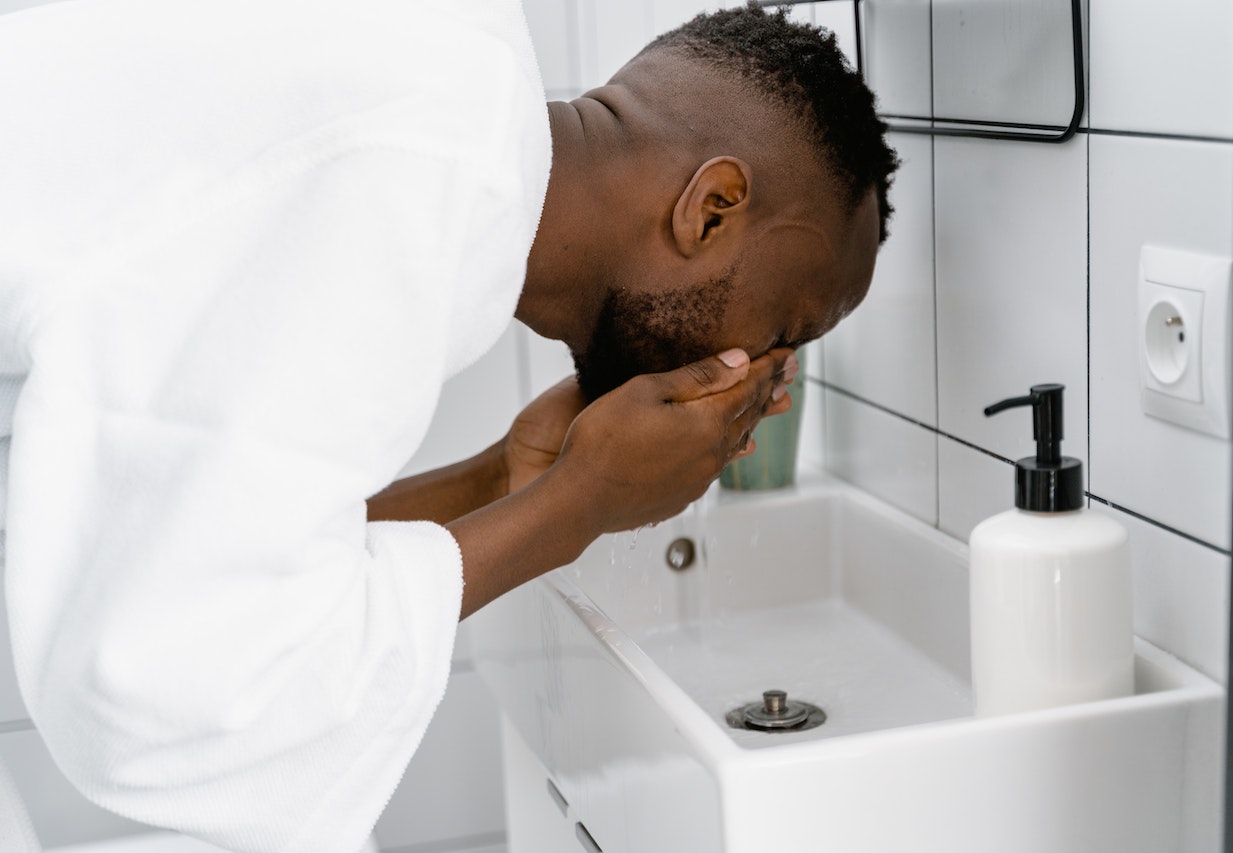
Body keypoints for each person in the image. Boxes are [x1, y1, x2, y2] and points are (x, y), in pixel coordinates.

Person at [0, 1, 897, 851]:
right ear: (710, 209)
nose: (768, 371)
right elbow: (175, 687)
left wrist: (504, 480)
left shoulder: (450, 77)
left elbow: (218, 551)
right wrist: (577, 506)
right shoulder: (404, 180)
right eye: (787, 331)